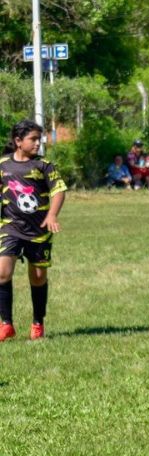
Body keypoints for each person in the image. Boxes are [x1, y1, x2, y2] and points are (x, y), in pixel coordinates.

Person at [0, 120, 68, 341]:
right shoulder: (3, 165)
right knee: (2, 273)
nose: (38, 143)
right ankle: (6, 324)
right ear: (18, 142)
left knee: (38, 277)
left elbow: (59, 190)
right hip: (9, 227)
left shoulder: (43, 166)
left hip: (39, 231)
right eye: (33, 139)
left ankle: (38, 322)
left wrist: (51, 214)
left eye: (39, 139)